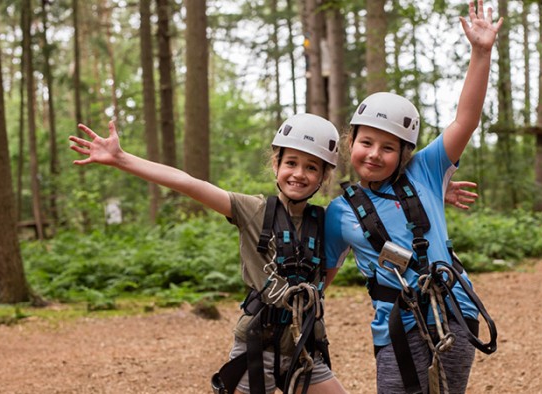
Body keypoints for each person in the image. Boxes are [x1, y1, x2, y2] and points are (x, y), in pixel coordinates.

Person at [69, 115, 347, 394]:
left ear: (324, 177)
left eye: (311, 167)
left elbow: (327, 277)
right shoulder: (252, 211)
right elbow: (187, 183)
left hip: (303, 349)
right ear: (276, 164)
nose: (298, 173)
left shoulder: (327, 224)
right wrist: (122, 159)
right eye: (291, 163)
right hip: (257, 346)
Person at [324, 1, 502, 393]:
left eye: (388, 148)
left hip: (454, 312)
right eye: (366, 142)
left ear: (403, 155)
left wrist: (481, 52)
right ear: (351, 142)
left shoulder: (425, 170)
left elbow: (465, 120)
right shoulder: (337, 213)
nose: (374, 154)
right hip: (395, 327)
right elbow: (323, 279)